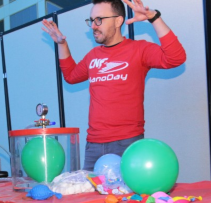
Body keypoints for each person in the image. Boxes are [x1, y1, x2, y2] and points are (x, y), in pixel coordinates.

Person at [41, 0, 186, 170]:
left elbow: (176, 58)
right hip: (94, 145)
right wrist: (61, 44)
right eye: (92, 20)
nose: (93, 26)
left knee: (127, 196)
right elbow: (71, 76)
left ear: (118, 21)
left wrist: (154, 18)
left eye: (99, 20)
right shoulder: (93, 56)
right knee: (93, 196)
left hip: (127, 143)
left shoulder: (139, 50)